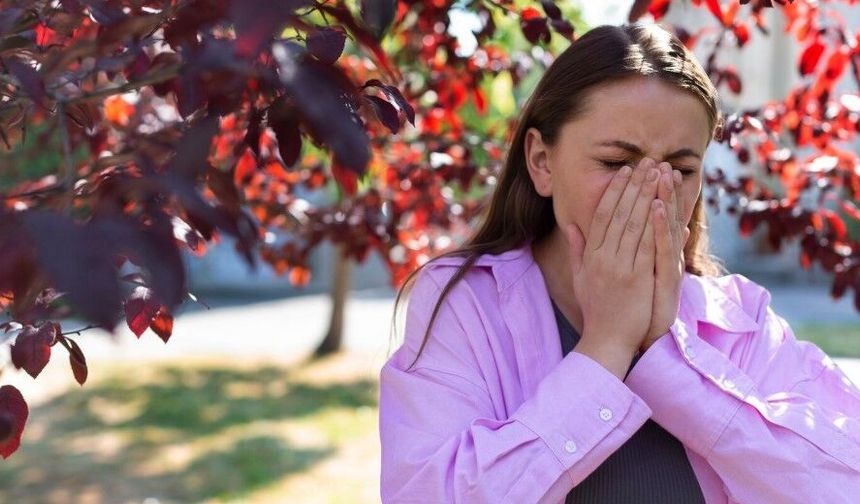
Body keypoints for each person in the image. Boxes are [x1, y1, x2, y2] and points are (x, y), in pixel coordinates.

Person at [377, 22, 860, 503]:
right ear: (542, 161)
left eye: (681, 169)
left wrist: (665, 360)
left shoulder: (739, 320)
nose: (651, 190)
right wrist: (605, 349)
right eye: (614, 163)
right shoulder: (465, 305)